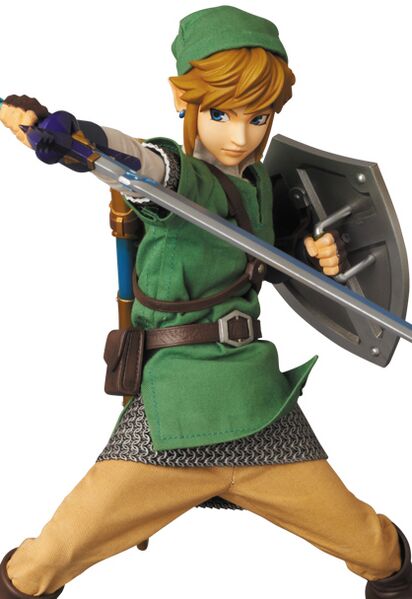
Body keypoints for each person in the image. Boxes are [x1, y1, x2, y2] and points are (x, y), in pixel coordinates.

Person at [0, 6, 410, 599]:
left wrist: (310, 249)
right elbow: (140, 162)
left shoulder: (261, 185)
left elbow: (268, 254)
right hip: (175, 406)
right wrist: (74, 137)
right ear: (183, 99)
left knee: (378, 550)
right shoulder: (180, 180)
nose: (240, 136)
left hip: (255, 403)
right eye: (220, 113)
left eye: (257, 117)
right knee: (42, 564)